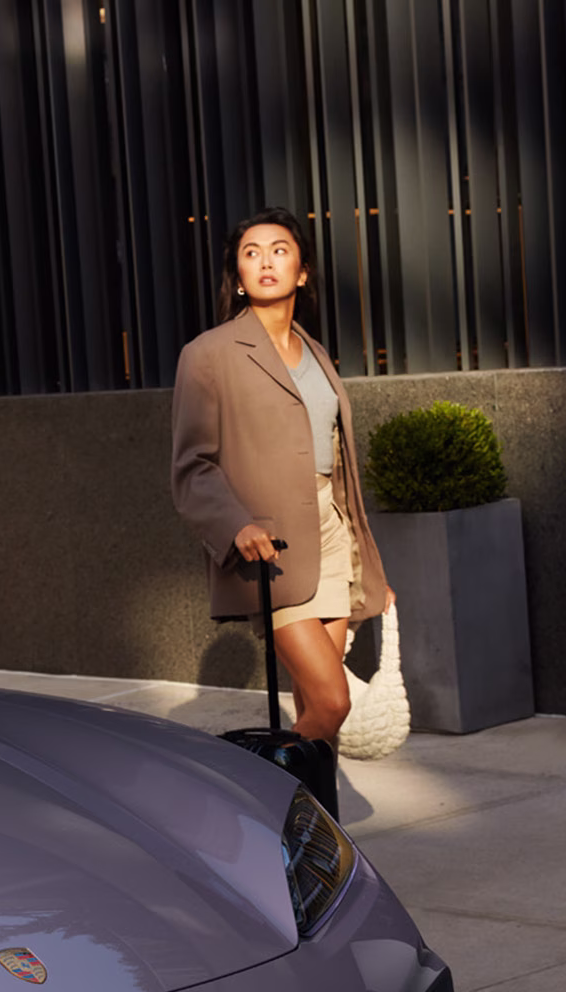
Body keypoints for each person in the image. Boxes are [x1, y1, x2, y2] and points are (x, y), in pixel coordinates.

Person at [171, 206, 394, 742]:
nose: (265, 261)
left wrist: (369, 563)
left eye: (279, 251)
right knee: (331, 699)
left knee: (314, 711)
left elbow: (336, 462)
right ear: (240, 278)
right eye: (251, 253)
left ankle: (313, 821)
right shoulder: (208, 354)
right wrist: (235, 526)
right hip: (272, 545)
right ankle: (267, 801)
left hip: (332, 535)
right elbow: (192, 464)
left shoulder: (315, 353)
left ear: (302, 272)